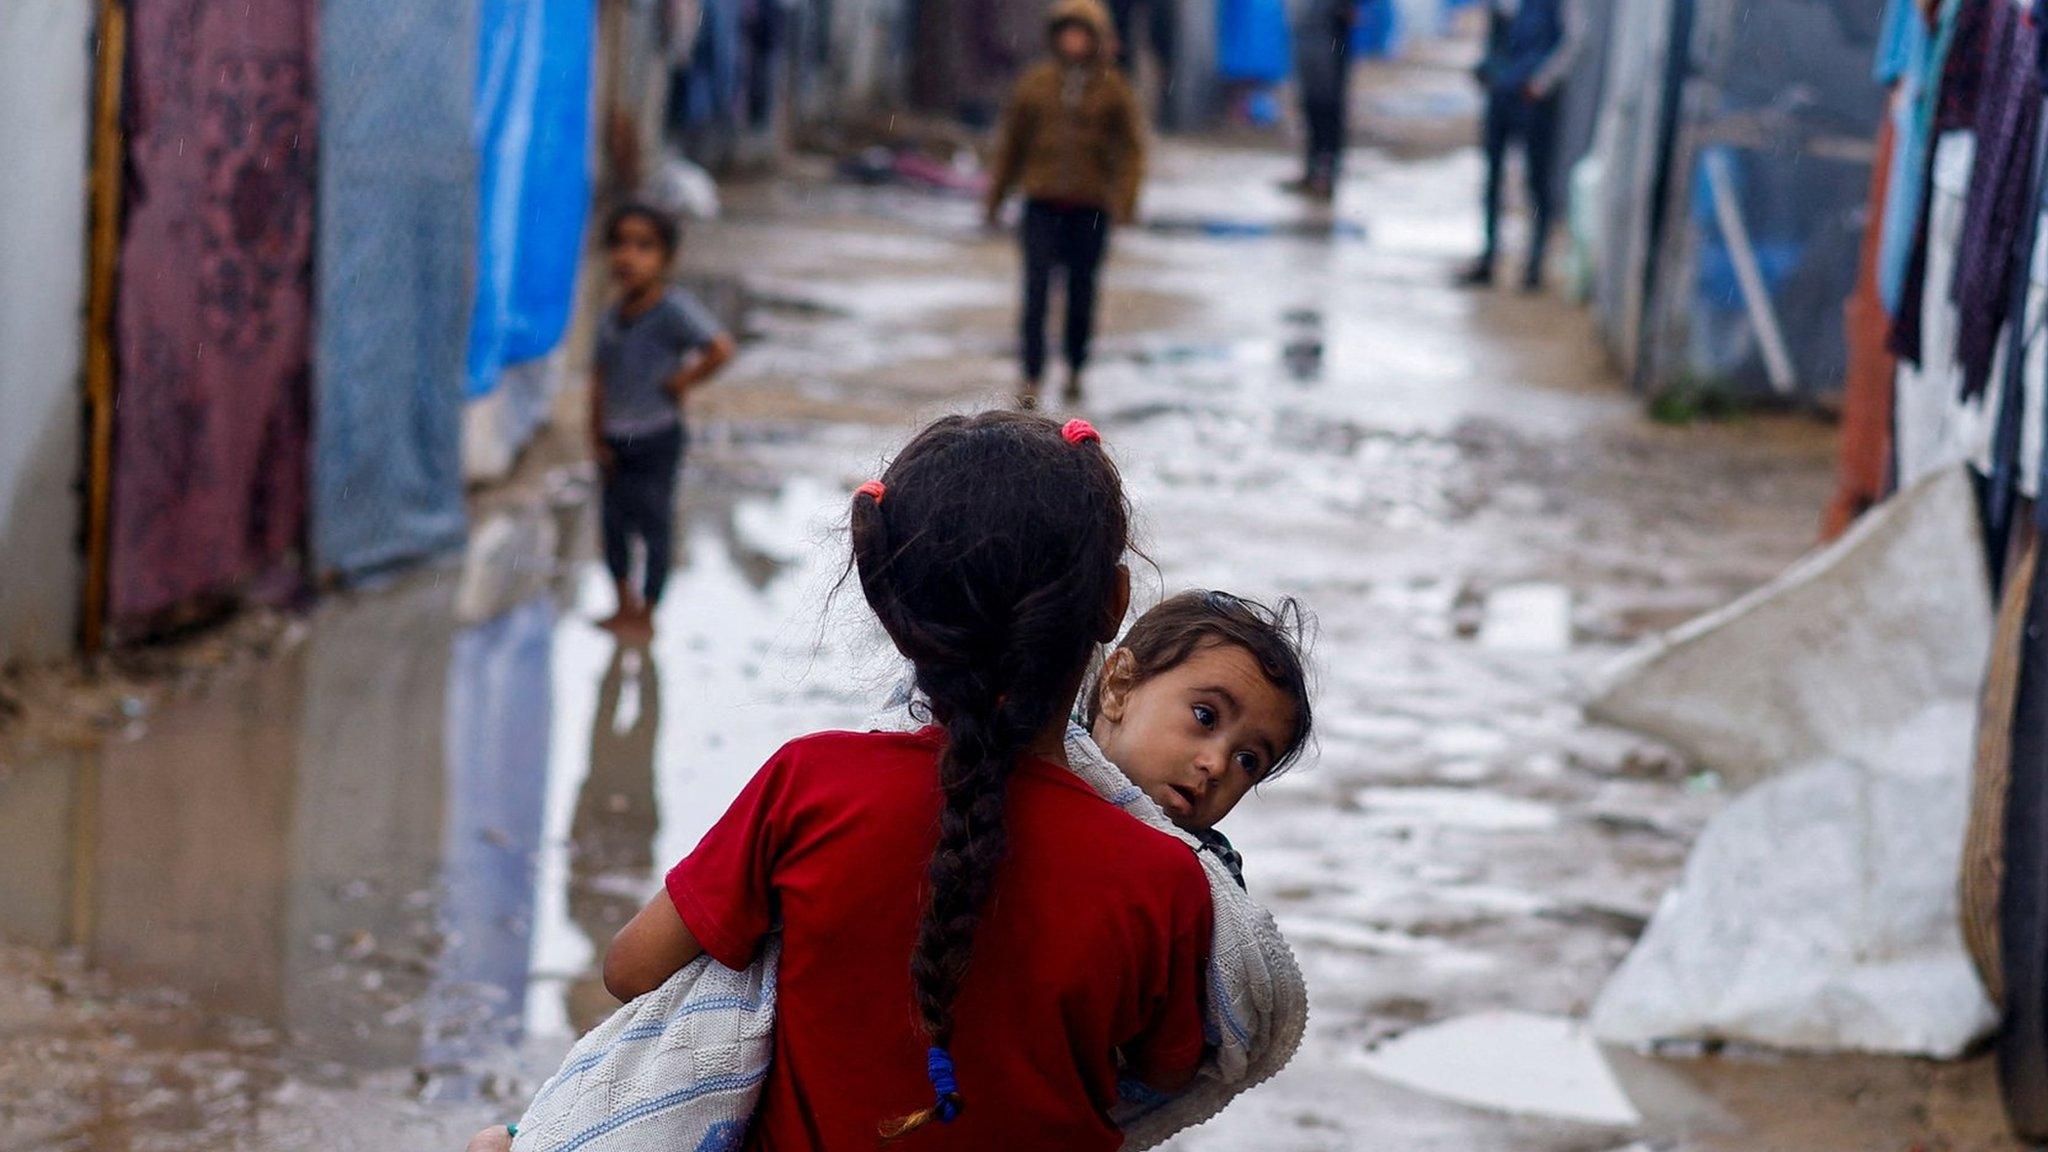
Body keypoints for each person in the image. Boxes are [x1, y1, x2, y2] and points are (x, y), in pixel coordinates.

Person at [600, 412, 1211, 1148]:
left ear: (893, 615)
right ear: (1113, 605)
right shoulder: (1165, 878)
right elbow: (1171, 1070)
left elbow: (632, 969)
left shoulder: (811, 785)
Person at [1087, 589, 1314, 888]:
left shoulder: (1209, 886)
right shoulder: (1023, 772)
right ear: (1119, 686)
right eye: (1205, 716)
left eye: (1247, 760)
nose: (1217, 765)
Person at [985, 0, 1147, 409]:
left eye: (1082, 33)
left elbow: (1131, 149)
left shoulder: (1112, 87)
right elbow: (1011, 145)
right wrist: (996, 196)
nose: (1074, 41)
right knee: (1036, 291)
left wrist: (1125, 200)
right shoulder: (1036, 84)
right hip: (1041, 203)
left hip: (1089, 208)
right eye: (1067, 33)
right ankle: (1032, 373)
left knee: (1081, 291)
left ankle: (1075, 366)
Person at [591, 203, 735, 639]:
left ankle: (648, 612)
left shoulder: (673, 309)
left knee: (654, 524)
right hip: (615, 438)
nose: (628, 256)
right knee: (614, 526)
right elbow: (599, 381)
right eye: (619, 245)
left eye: (643, 246)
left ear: (666, 258)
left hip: (656, 436)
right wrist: (595, 435)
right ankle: (622, 604)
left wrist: (682, 381)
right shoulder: (610, 318)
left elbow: (720, 348)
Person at [1457, 0, 1588, 291]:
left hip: (1535, 98)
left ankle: (1533, 265)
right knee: (1492, 176)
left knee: (1536, 180)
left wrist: (1543, 82)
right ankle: (1489, 256)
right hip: (1502, 91)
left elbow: (1576, 39)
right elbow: (1498, 28)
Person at [1285, 0, 1358, 203]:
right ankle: (1312, 170)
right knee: (1310, 101)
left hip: (1332, 29)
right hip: (1308, 29)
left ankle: (1326, 172)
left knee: (1327, 100)